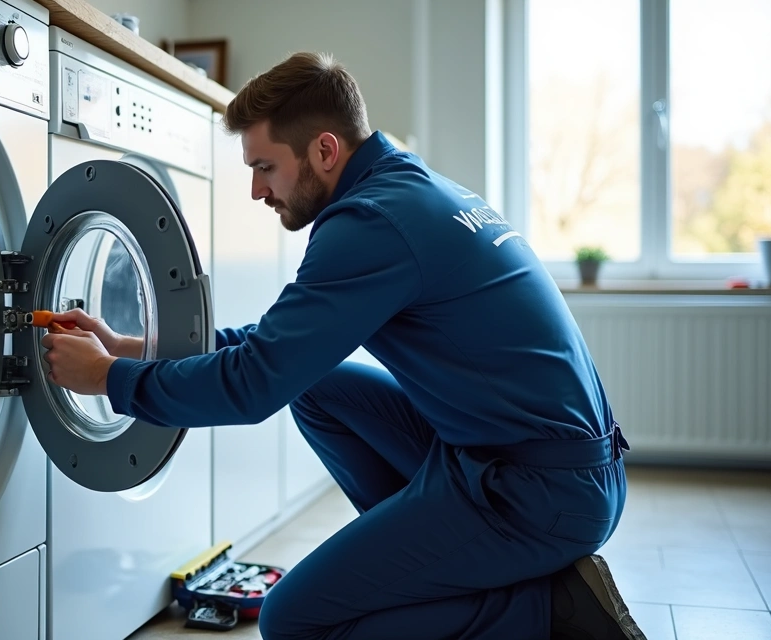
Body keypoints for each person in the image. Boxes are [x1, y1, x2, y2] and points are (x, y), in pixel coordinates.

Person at [39, 51, 644, 640]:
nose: (255, 190)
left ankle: (547, 610)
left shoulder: (371, 224)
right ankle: (435, 566)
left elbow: (252, 386)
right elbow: (277, 348)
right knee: (320, 389)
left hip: (539, 493)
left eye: (265, 167)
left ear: (324, 150)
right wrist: (135, 350)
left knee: (294, 620)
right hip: (546, 465)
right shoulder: (409, 186)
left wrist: (109, 381)